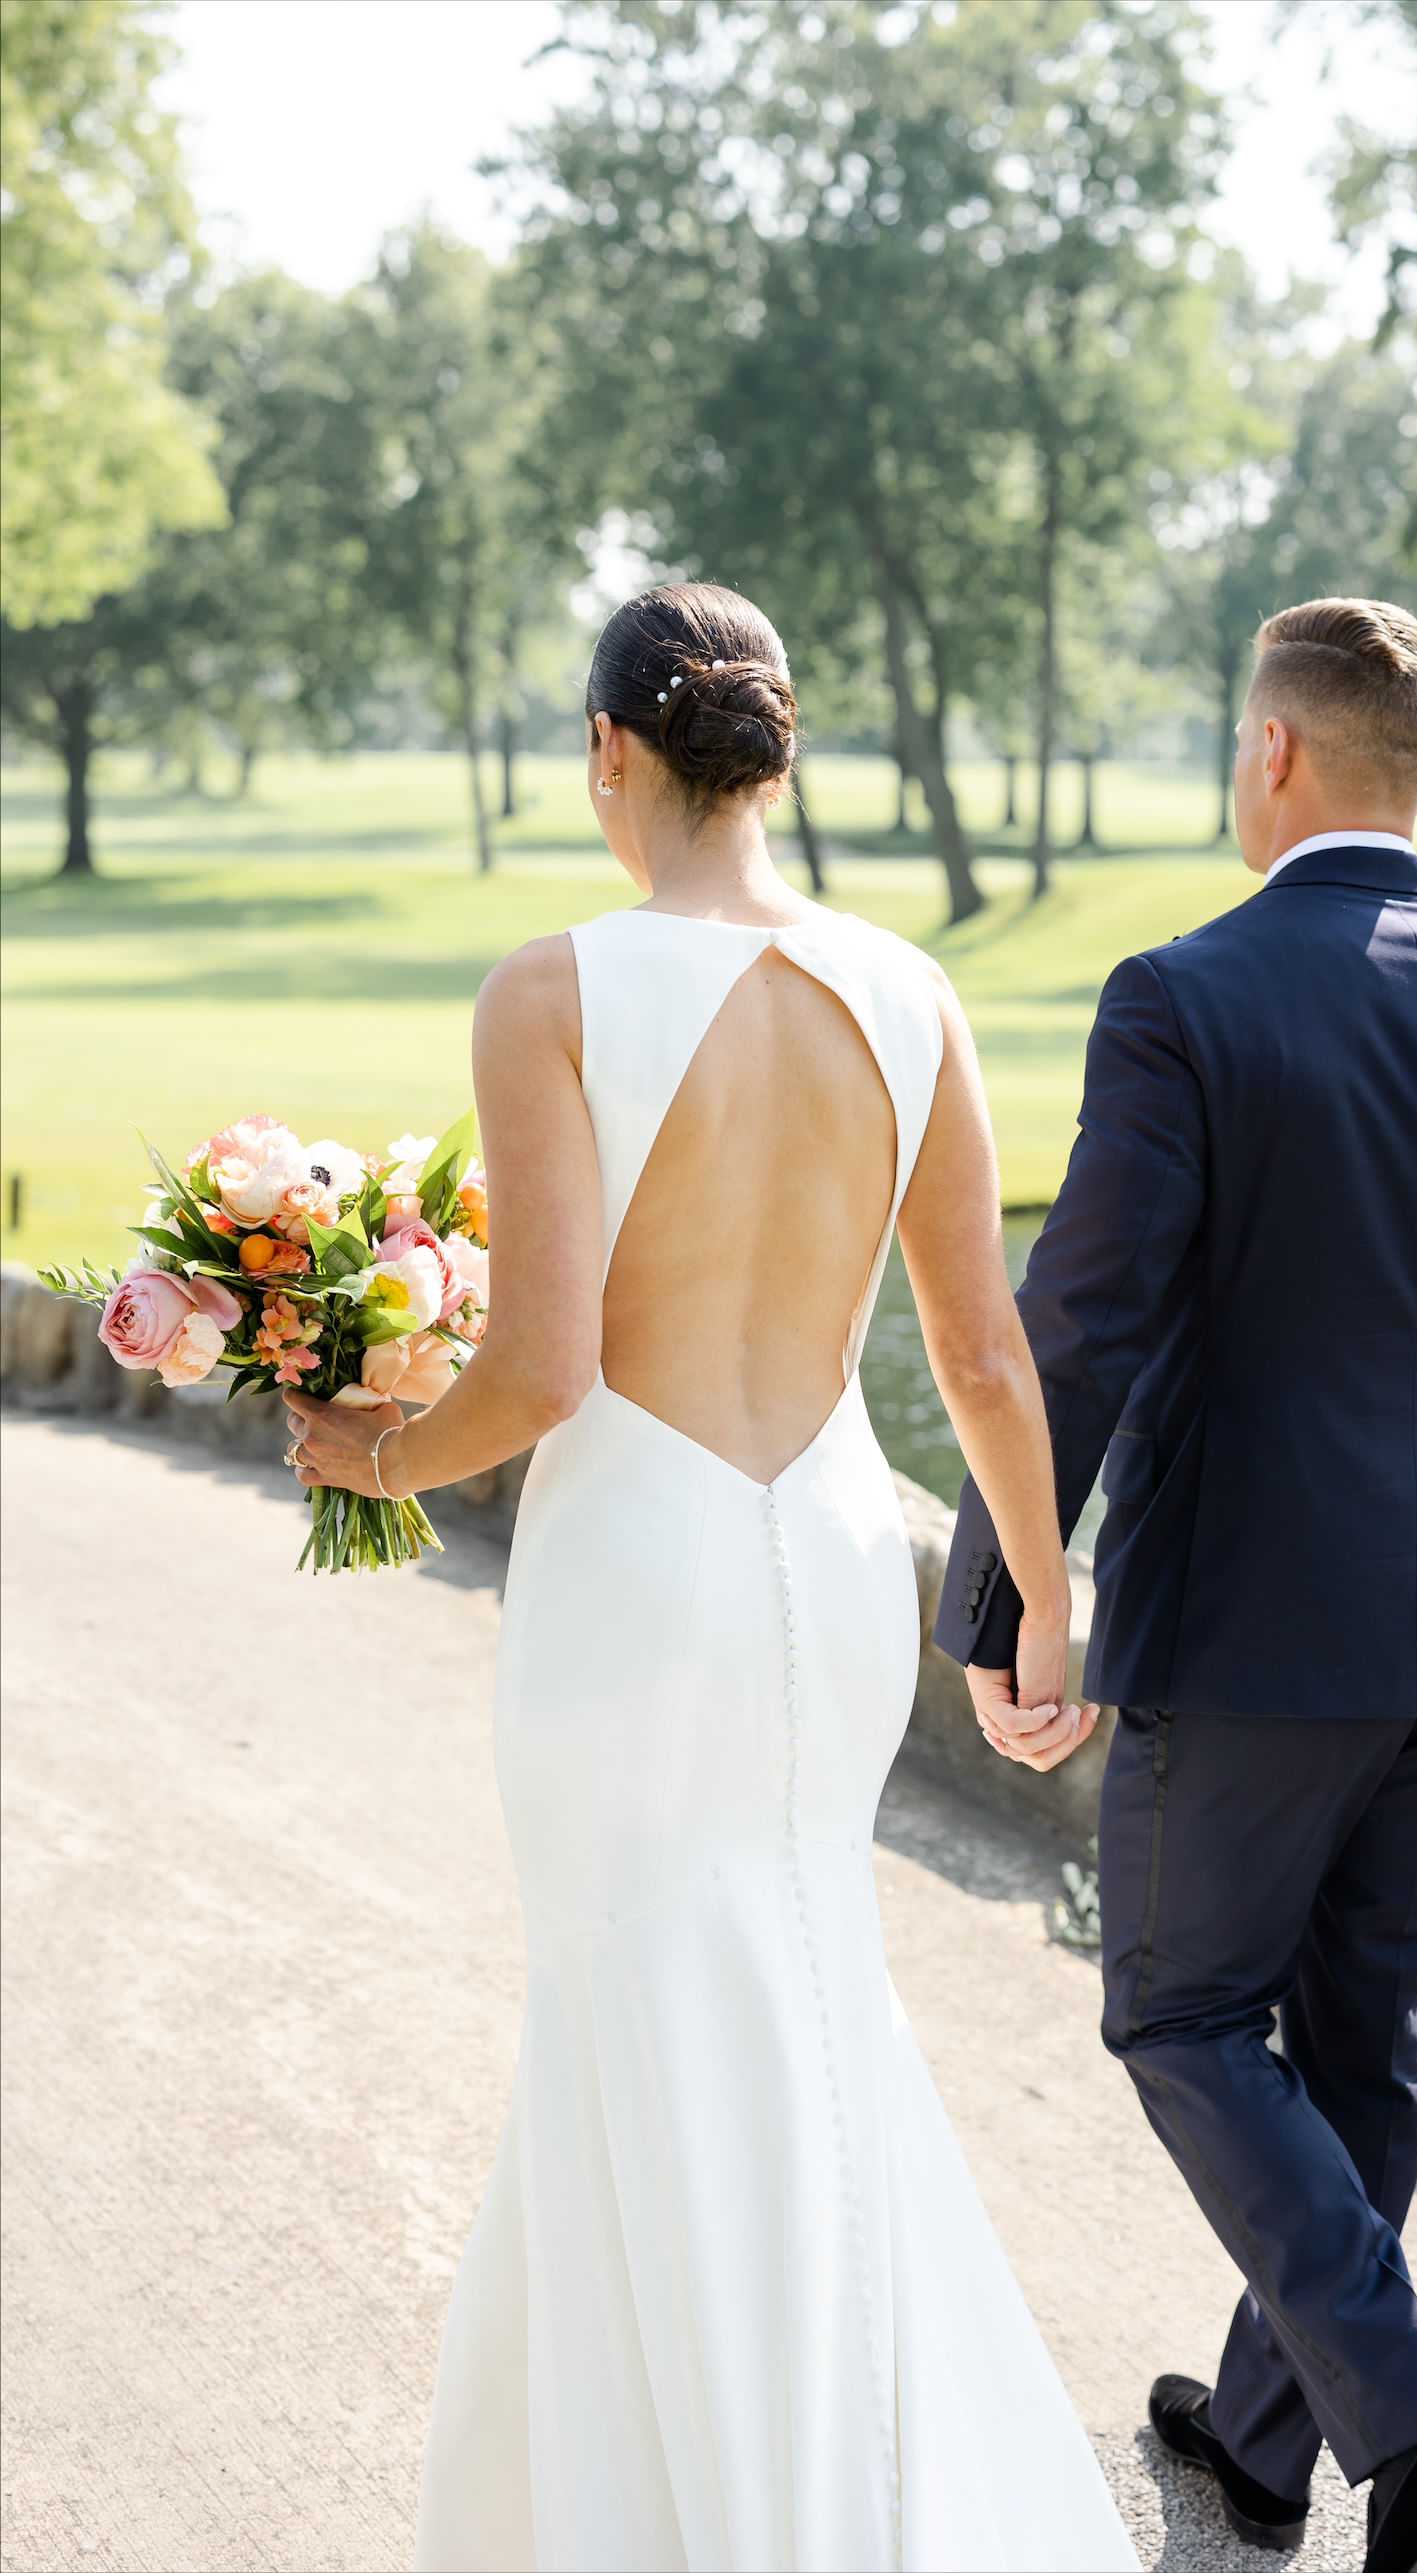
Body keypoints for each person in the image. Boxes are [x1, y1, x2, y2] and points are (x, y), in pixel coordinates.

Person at [282, 581, 1139, 2573]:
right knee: (803, 1997)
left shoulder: (552, 988)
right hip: (830, 1547)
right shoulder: (909, 990)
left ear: (610, 753)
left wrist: (370, 1455)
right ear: (776, 754)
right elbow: (990, 1357)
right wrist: (1044, 1608)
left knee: (634, 2023)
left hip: (638, 1570)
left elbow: (545, 1369)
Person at [935, 596, 1417, 2573]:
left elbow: (1076, 1324)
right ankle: (1262, 2454)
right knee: (1355, 2048)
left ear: (1270, 755)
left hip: (1253, 1628)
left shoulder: (1183, 993)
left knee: (1180, 2017)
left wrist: (1009, 1605)